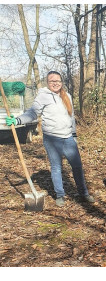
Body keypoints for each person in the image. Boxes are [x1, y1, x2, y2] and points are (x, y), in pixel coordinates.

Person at [5, 71, 95, 207]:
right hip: (52, 139)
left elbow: (71, 117)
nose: (55, 83)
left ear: (61, 82)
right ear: (48, 83)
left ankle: (83, 193)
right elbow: (33, 113)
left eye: (58, 81)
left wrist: (74, 135)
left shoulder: (67, 96)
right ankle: (60, 195)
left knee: (77, 166)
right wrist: (18, 120)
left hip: (68, 137)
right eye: (52, 81)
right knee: (56, 167)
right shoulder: (43, 96)